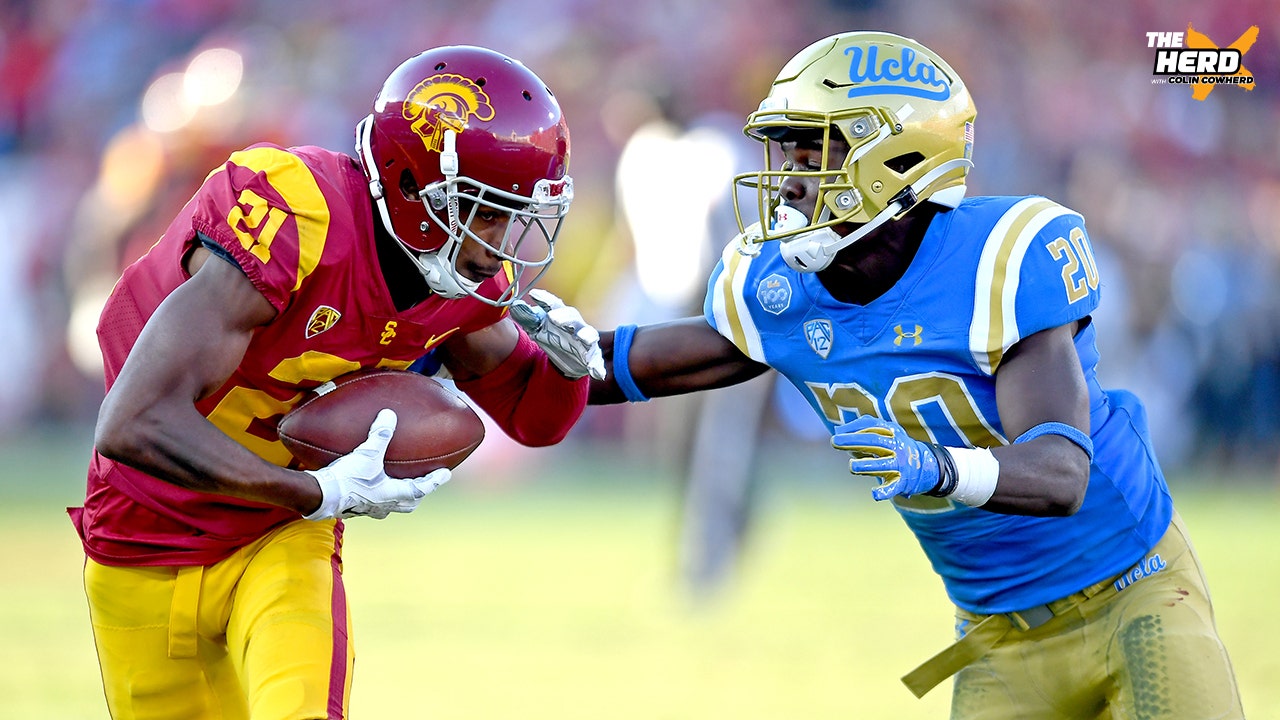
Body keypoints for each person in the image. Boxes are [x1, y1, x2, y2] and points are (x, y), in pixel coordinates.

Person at [589, 31, 1243, 718]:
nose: (788, 180)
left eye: (816, 153)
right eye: (787, 151)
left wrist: (934, 466)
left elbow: (1059, 475)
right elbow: (616, 366)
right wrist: (503, 335)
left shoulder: (1000, 257)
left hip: (1132, 593)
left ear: (896, 158)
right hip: (999, 639)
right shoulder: (779, 290)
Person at [68, 45, 604, 719]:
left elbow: (534, 419)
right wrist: (313, 487)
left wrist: (570, 367)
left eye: (514, 212)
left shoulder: (460, 276)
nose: (500, 240)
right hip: (143, 537)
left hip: (280, 536)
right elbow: (130, 422)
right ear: (414, 189)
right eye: (486, 210)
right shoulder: (296, 213)